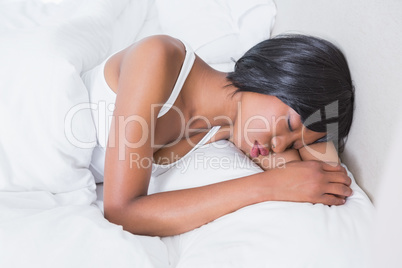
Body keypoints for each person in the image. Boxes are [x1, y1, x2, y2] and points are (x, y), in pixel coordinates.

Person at [82, 34, 354, 237]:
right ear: (274, 77)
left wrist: (313, 134)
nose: (280, 145)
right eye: (289, 123)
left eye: (295, 143)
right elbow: (121, 212)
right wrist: (269, 186)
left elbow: (321, 174)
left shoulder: (226, 128)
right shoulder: (158, 57)